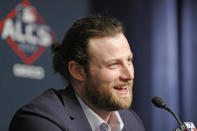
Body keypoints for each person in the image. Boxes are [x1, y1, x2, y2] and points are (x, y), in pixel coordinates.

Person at [9, 15, 145, 131]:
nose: (129, 75)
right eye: (113, 65)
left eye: (129, 61)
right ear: (78, 71)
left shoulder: (131, 121)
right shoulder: (39, 119)